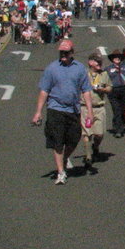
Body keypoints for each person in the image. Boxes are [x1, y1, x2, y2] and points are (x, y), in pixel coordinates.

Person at [32, 39, 95, 185]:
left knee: (74, 138)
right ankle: (61, 171)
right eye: (61, 53)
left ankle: (65, 158)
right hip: (56, 108)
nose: (63, 55)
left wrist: (90, 112)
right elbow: (44, 91)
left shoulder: (79, 68)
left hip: (73, 109)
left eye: (66, 53)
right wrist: (38, 112)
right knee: (58, 141)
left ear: (72, 53)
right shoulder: (52, 68)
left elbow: (86, 91)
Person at [81, 52, 111, 171]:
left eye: (100, 61)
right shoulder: (83, 74)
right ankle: (88, 156)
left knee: (99, 134)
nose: (99, 63)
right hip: (85, 107)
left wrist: (102, 89)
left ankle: (96, 146)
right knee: (87, 133)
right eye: (96, 61)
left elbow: (109, 88)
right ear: (90, 62)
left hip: (99, 108)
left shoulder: (104, 74)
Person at [105, 50, 125, 137]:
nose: (117, 58)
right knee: (116, 109)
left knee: (122, 110)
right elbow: (103, 79)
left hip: (123, 90)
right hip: (113, 91)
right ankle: (117, 129)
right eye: (115, 57)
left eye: (119, 57)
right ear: (112, 59)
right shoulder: (108, 69)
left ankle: (121, 127)